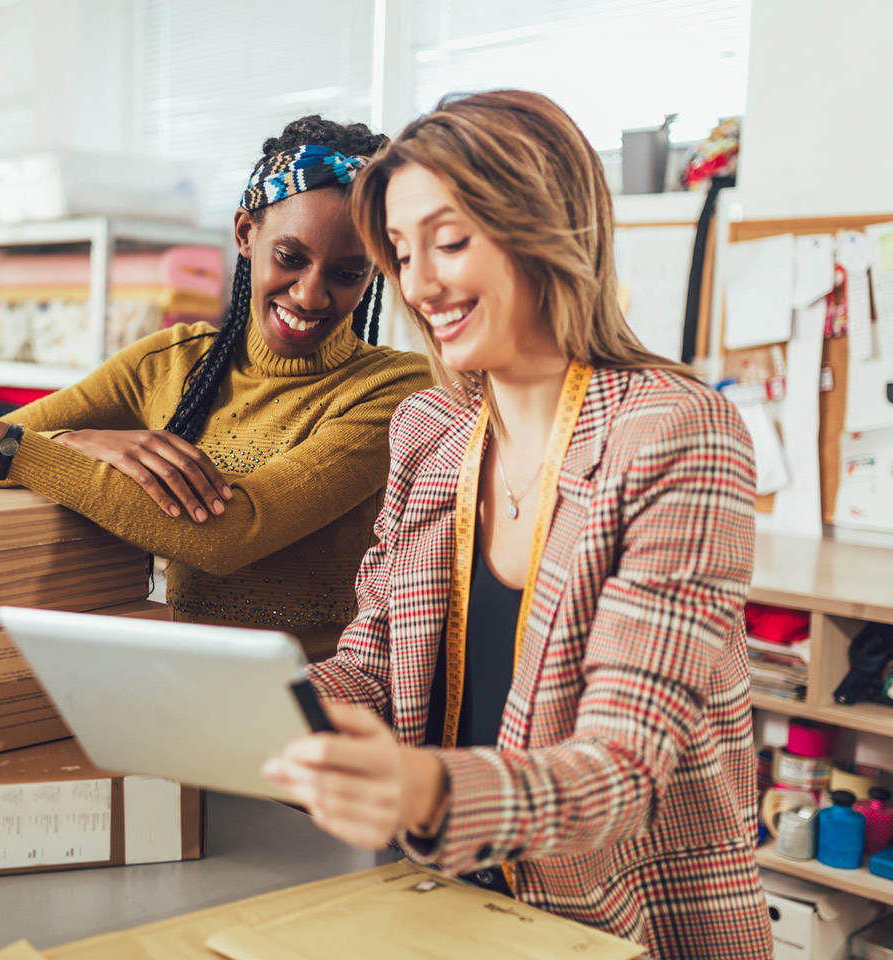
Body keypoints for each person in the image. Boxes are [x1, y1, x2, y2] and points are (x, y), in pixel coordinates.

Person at [261, 90, 769, 958]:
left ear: (543, 226)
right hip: (442, 902)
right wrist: (271, 712)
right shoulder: (431, 430)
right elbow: (376, 662)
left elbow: (620, 772)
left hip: (621, 926)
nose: (420, 285)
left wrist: (421, 788)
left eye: (450, 242)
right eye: (402, 252)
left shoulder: (676, 433)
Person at [0, 117, 432, 659]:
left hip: (321, 711)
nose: (310, 295)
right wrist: (76, 440)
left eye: (347, 273)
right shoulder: (172, 361)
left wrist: (14, 445)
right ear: (245, 234)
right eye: (290, 257)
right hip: (179, 694)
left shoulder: (393, 390)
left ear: (376, 270)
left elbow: (233, 533)